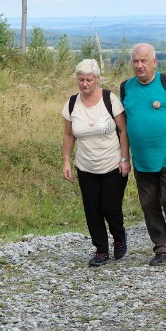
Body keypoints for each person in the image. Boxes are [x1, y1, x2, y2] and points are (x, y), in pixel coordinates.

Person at [121, 43, 166, 266]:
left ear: (154, 62)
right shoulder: (126, 88)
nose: (139, 65)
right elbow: (124, 123)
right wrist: (125, 156)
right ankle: (162, 248)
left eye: (144, 61)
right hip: (142, 160)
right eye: (135, 61)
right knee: (149, 205)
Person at [62, 59, 130, 267]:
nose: (84, 84)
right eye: (81, 80)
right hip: (85, 166)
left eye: (89, 80)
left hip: (112, 164)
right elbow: (68, 134)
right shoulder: (72, 104)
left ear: (97, 79)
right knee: (92, 210)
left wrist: (125, 159)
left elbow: (123, 130)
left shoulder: (110, 99)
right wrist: (66, 160)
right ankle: (101, 249)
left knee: (110, 207)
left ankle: (119, 237)